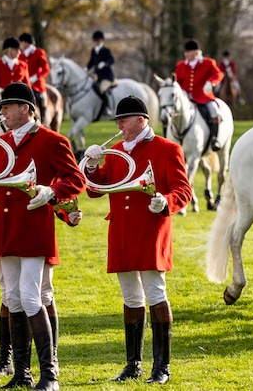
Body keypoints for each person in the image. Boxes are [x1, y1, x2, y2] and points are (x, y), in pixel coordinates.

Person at [0, 82, 85, 391]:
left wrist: (51, 191)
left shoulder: (52, 141)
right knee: (12, 298)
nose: (2, 111)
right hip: (6, 231)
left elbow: (76, 178)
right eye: (2, 107)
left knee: (31, 296)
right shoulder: (2, 141)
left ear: (26, 110)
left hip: (33, 227)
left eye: (8, 106)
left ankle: (50, 374)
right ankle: (22, 373)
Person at [80, 96, 192, 384]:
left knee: (155, 293)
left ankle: (162, 367)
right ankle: (133, 365)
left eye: (124, 120)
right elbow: (96, 190)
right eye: (118, 120)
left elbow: (183, 189)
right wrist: (91, 167)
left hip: (150, 228)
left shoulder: (167, 149)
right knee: (130, 297)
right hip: (122, 231)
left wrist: (166, 202)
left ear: (142, 120)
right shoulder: (116, 151)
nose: (119, 125)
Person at [173, 39, 224, 152]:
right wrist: (181, 91)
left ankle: (214, 139)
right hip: (186, 98)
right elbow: (178, 82)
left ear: (196, 53)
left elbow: (219, 74)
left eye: (188, 51)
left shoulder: (208, 63)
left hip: (203, 97)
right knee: (171, 111)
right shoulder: (181, 65)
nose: (186, 54)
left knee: (214, 111)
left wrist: (211, 82)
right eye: (185, 52)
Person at [19, 32, 51, 121]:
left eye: (21, 42)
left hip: (37, 85)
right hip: (24, 84)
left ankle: (44, 121)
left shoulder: (39, 52)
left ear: (26, 42)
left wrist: (36, 77)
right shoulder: (20, 54)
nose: (20, 45)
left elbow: (46, 69)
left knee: (41, 99)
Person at [88, 30, 116, 116]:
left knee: (102, 89)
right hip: (97, 76)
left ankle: (107, 108)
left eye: (98, 40)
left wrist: (105, 64)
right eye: (95, 40)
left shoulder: (106, 50)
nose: (96, 42)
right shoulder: (94, 50)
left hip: (106, 76)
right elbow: (91, 62)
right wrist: (86, 68)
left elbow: (112, 60)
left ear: (102, 40)